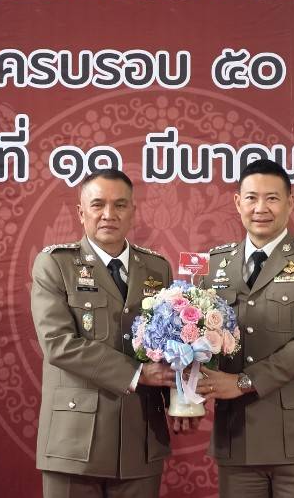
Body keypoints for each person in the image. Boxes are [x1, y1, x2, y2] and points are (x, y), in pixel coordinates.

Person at [31, 169, 182, 498]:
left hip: (140, 437)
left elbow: (173, 343)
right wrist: (138, 373)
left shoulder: (157, 268)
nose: (109, 214)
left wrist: (182, 399)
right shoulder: (55, 264)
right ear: (80, 212)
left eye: (120, 205)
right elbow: (58, 344)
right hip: (75, 442)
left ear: (133, 211)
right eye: (98, 204)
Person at [197, 159, 294, 498]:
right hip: (238, 438)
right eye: (251, 198)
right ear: (238, 203)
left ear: (290, 202)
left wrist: (244, 382)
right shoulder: (213, 265)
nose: (261, 208)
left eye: (272, 198)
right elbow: (194, 340)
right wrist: (185, 397)